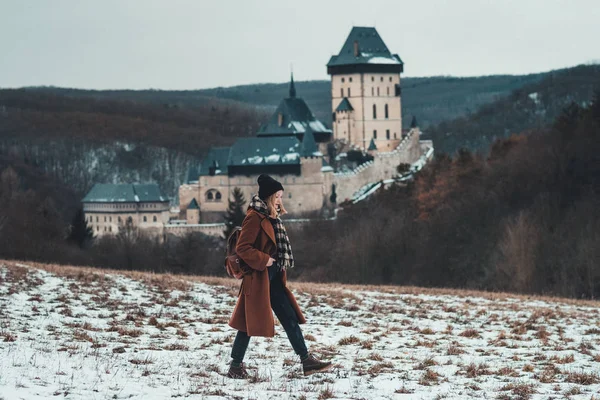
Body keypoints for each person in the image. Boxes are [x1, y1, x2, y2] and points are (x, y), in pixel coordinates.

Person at [227, 174, 332, 378]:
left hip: (273, 276)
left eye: (281, 196)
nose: (280, 200)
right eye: (277, 196)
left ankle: (306, 360)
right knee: (249, 323)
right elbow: (242, 248)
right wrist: (264, 259)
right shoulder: (254, 217)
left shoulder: (271, 217)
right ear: (268, 197)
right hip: (259, 276)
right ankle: (235, 366)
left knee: (288, 316)